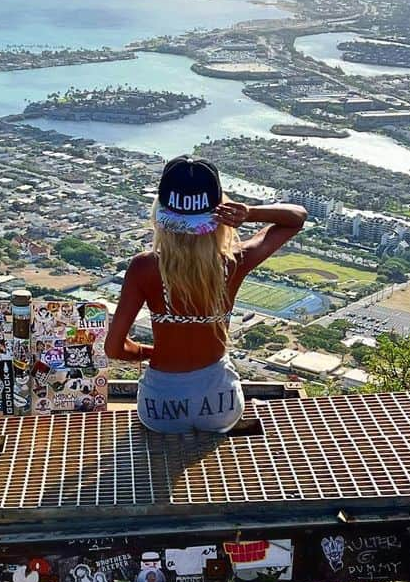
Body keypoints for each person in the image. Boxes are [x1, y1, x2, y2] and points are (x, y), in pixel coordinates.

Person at [104, 155, 307, 434]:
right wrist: (249, 213)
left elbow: (114, 349)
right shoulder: (235, 261)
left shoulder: (144, 267)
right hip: (220, 404)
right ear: (219, 211)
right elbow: (296, 218)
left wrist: (155, 352)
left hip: (159, 408)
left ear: (161, 212)